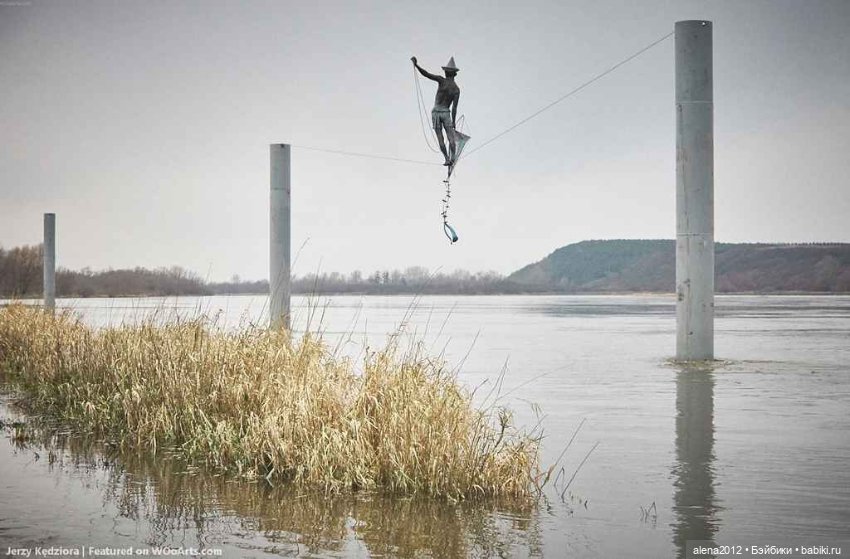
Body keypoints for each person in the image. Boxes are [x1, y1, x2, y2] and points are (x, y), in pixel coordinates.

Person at [411, 56, 461, 166]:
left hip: (436, 112)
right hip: (446, 113)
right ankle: (452, 158)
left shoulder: (441, 80)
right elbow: (454, 108)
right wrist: (453, 121)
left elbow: (427, 74)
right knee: (451, 138)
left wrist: (416, 65)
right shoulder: (456, 89)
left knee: (440, 138)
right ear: (454, 74)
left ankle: (447, 159)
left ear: (447, 73)